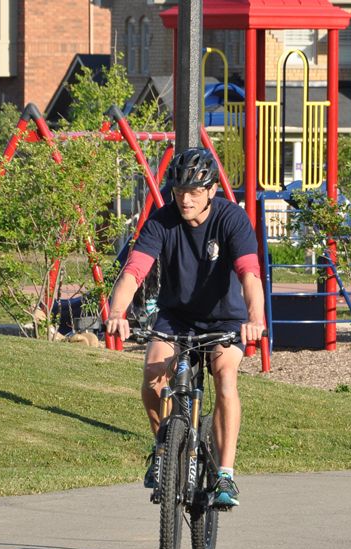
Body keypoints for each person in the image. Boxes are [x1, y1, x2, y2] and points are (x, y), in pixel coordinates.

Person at [105, 147, 266, 508]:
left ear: (211, 191)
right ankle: (162, 447)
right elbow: (134, 270)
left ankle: (225, 474)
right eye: (179, 191)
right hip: (176, 316)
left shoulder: (232, 220)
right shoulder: (162, 221)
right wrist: (117, 312)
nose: (186, 199)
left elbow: (249, 275)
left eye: (194, 192)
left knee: (225, 375)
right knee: (152, 375)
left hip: (225, 318)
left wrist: (256, 320)